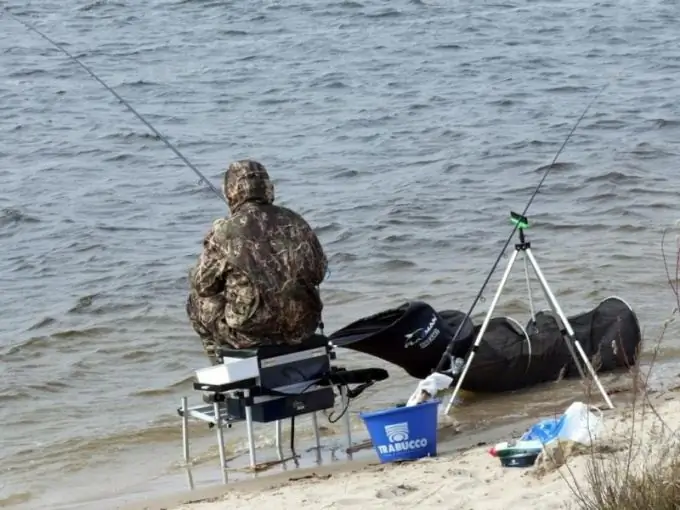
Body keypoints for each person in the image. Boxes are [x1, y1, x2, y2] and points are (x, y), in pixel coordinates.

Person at [186, 159, 328, 365]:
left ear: (231, 191)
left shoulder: (225, 231)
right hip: (303, 328)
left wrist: (213, 239)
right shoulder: (296, 221)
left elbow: (203, 285)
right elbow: (319, 272)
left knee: (195, 302)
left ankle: (221, 366)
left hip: (253, 335)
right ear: (268, 188)